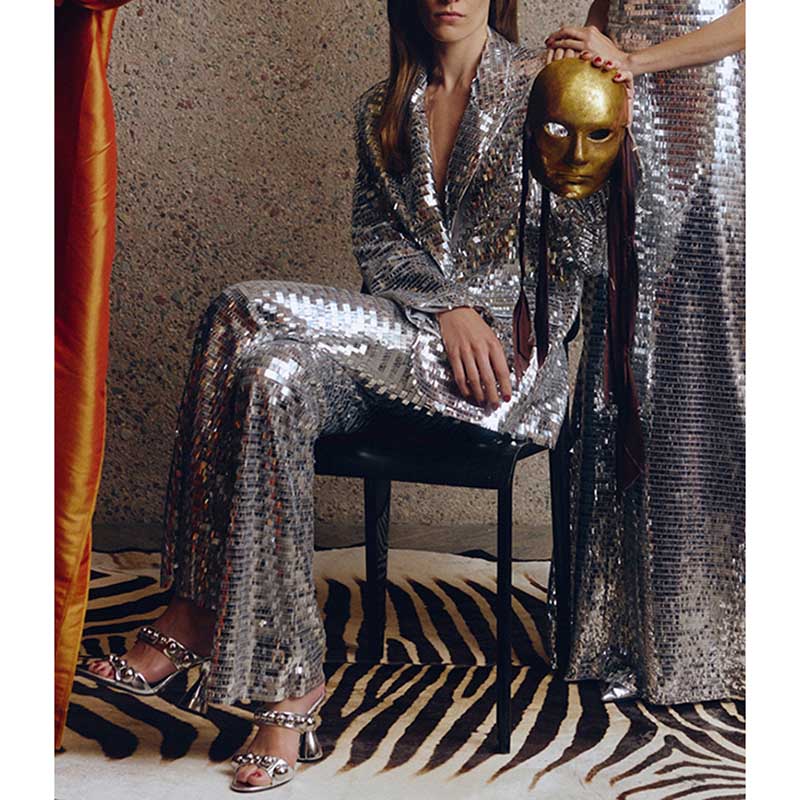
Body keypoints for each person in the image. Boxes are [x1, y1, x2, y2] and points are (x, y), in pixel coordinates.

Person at [80, 1, 607, 791]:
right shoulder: (383, 109)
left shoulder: (545, 86)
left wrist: (487, 321)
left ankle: (192, 607)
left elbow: (579, 245)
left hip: (500, 368)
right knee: (269, 375)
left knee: (238, 310)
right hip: (401, 349)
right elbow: (379, 246)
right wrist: (445, 307)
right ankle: (292, 685)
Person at [544, 1, 745, 704]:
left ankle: (720, 634)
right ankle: (623, 630)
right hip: (625, 109)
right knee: (624, 358)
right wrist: (589, 47)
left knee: (708, 371)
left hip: (711, 113)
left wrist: (636, 61)